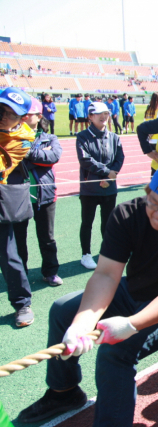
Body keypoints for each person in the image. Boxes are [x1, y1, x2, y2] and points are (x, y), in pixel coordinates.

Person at [17, 163, 158, 426]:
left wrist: (131, 324)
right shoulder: (127, 213)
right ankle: (64, 392)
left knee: (115, 353)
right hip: (135, 290)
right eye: (153, 203)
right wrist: (81, 325)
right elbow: (106, 275)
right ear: (147, 192)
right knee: (63, 310)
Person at [13, 96, 63, 287]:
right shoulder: (12, 136)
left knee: (47, 238)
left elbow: (52, 156)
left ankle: (50, 272)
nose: (24, 117)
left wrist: (26, 152)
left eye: (29, 114)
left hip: (45, 196)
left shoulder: (50, 138)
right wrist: (36, 154)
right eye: (22, 114)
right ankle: (20, 274)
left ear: (39, 116)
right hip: (17, 196)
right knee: (18, 240)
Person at [0, 88, 35, 327]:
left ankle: (22, 303)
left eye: (10, 114)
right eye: (0, 110)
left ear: (21, 118)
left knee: (8, 255)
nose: (3, 116)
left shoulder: (22, 140)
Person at [75, 102, 125, 270]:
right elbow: (85, 160)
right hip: (90, 188)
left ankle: (107, 252)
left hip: (109, 187)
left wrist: (110, 178)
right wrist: (106, 173)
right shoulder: (82, 136)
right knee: (87, 222)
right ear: (90, 116)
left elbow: (119, 158)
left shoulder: (114, 137)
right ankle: (86, 254)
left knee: (108, 222)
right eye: (99, 114)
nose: (104, 116)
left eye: (106, 113)